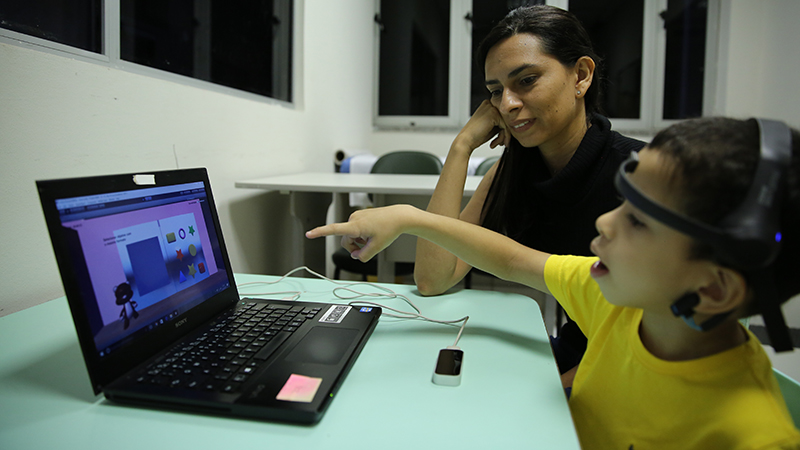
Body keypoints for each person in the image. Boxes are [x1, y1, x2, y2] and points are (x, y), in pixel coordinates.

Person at [308, 117, 800, 449]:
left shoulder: (753, 436)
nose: (606, 223)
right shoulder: (622, 301)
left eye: (639, 221)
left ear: (713, 289)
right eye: (623, 202)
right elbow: (514, 259)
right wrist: (409, 218)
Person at [414, 5, 645, 375]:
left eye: (526, 80)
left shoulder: (640, 173)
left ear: (581, 76)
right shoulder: (516, 169)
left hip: (631, 367)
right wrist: (461, 148)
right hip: (580, 348)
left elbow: (658, 329)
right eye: (495, 91)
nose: (507, 104)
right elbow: (433, 278)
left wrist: (568, 390)